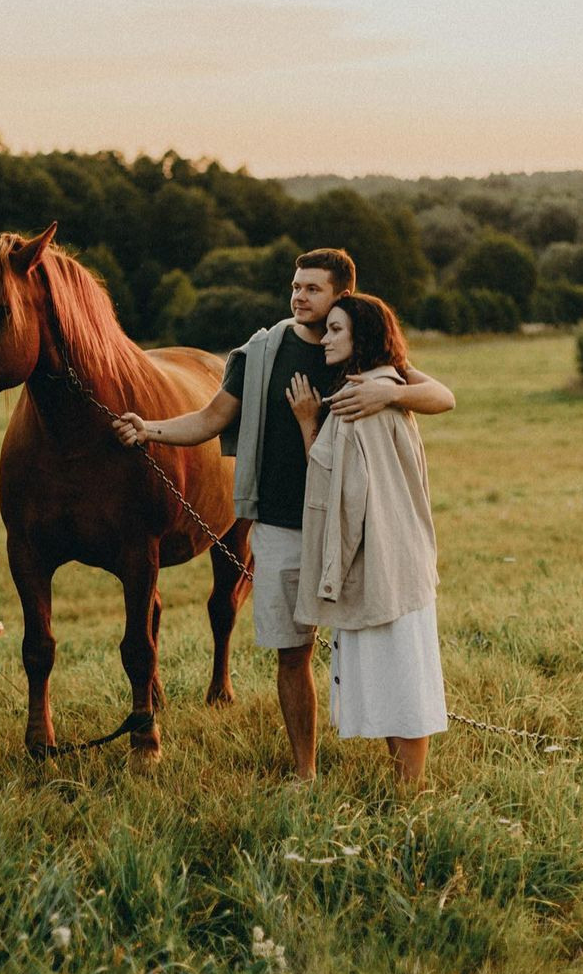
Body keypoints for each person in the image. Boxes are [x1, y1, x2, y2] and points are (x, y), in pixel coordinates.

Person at [112, 249, 454, 780]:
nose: (298, 296)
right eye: (295, 286)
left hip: (353, 533)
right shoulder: (261, 352)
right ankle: (304, 773)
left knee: (382, 644)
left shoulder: (360, 351)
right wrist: (149, 429)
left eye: (311, 289)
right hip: (280, 527)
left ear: (341, 296)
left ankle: (404, 768)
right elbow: (209, 419)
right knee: (291, 653)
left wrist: (392, 391)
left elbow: (440, 395)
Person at [286, 293, 447, 786]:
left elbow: (339, 491)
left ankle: (409, 792)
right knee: (395, 673)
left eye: (336, 330)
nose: (326, 339)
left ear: (362, 336)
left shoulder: (363, 397)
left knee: (401, 679)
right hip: (398, 556)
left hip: (381, 560)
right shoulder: (384, 386)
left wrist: (307, 423)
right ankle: (406, 787)